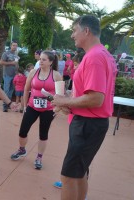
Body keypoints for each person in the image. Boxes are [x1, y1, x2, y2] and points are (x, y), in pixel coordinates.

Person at [51, 15, 117, 200]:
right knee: (79, 173)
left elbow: (96, 99)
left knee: (69, 176)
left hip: (88, 125)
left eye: (74, 30)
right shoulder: (102, 54)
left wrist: (64, 102)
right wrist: (69, 103)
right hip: (89, 123)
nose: (72, 35)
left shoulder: (95, 57)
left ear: (86, 31)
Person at [10, 50, 62, 170]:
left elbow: (61, 94)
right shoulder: (33, 72)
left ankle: (39, 157)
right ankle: (21, 149)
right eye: (40, 59)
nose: (41, 61)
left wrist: (56, 109)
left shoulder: (56, 75)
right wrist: (24, 106)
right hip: (32, 106)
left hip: (48, 109)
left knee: (43, 134)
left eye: (44, 59)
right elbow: (26, 89)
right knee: (23, 130)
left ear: (50, 62)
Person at [53, 50, 86, 190]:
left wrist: (65, 102)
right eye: (75, 64)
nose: (75, 67)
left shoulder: (87, 77)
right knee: (73, 155)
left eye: (78, 64)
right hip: (74, 120)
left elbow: (85, 100)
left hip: (83, 123)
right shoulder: (77, 76)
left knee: (80, 160)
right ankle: (68, 181)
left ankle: (74, 186)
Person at [0, 41, 19, 112]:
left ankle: (8, 104)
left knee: (11, 90)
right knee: (6, 90)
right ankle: (4, 106)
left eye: (16, 45)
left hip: (14, 75)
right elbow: (1, 62)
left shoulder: (16, 54)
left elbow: (17, 64)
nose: (15, 47)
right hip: (7, 75)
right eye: (13, 45)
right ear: (11, 46)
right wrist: (12, 63)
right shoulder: (6, 53)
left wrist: (18, 71)